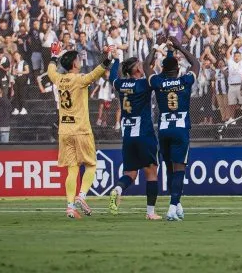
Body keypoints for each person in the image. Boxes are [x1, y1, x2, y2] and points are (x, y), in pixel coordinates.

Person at [47, 43, 112, 219]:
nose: (80, 60)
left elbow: (51, 70)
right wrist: (108, 57)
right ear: (75, 64)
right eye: (78, 59)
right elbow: (96, 73)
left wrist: (54, 56)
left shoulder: (58, 79)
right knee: (91, 165)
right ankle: (81, 196)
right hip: (81, 129)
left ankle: (69, 207)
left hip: (64, 130)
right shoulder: (80, 79)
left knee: (72, 169)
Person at [150, 36, 200, 222]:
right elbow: (196, 64)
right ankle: (172, 207)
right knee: (179, 169)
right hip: (180, 129)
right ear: (178, 69)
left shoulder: (158, 83)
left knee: (169, 167)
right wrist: (179, 47)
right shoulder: (185, 81)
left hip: (163, 129)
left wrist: (159, 47)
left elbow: (148, 67)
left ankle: (177, 204)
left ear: (162, 69)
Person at [107, 48, 160, 220]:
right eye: (140, 65)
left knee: (130, 173)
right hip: (144, 133)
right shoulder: (144, 84)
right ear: (137, 69)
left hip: (128, 135)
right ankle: (151, 213)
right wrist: (154, 52)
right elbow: (150, 69)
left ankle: (118, 189)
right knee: (151, 172)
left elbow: (112, 78)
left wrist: (115, 60)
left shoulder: (121, 84)